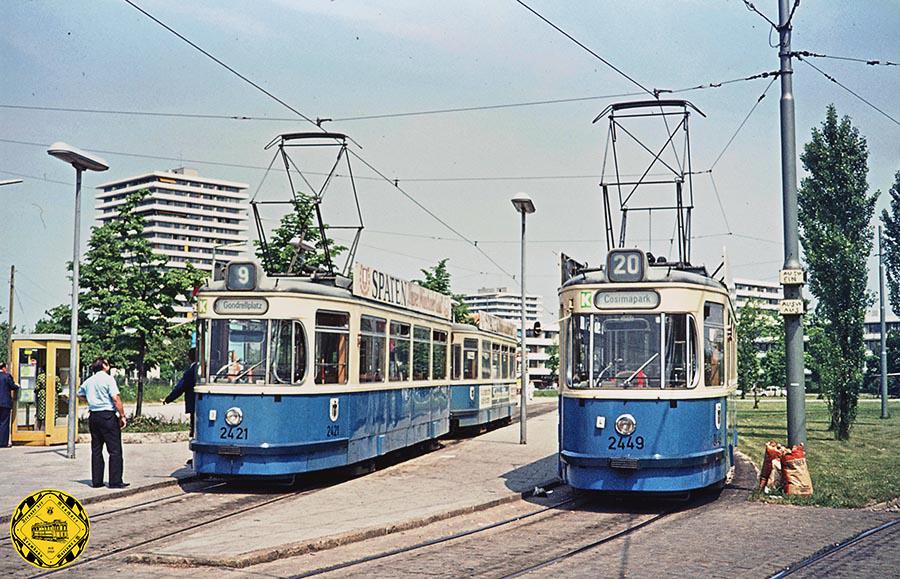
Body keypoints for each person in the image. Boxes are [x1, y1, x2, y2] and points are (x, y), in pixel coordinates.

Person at [77, 357, 128, 489]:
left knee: (96, 449)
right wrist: (122, 415)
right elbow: (116, 398)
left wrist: (91, 400)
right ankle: (115, 481)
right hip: (108, 416)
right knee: (115, 450)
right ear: (104, 365)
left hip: (94, 416)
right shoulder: (108, 379)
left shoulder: (88, 381)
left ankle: (97, 481)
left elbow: (80, 394)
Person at [164, 348, 198, 437]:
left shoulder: (190, 372)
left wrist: (168, 399)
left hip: (194, 403)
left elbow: (180, 388)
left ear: (189, 358)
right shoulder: (204, 370)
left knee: (194, 426)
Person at [0, 362, 19, 448]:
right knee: (4, 422)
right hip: (5, 403)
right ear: (3, 368)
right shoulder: (7, 376)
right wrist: (17, 386)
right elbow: (12, 386)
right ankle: (3, 443)